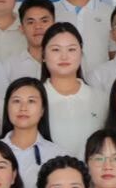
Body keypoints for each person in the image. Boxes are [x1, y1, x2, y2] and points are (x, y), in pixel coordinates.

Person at [39, 22, 107, 157]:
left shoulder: (101, 99)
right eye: (56, 50)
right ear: (43, 55)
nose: (64, 56)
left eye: (71, 49)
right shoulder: (34, 99)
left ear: (81, 53)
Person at [0, 77, 62, 188]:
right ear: (7, 107)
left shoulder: (57, 155)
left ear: (42, 109)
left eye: (31, 101)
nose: (23, 108)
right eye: (16, 101)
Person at [8, 0, 56, 82]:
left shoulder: (67, 60)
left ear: (54, 24)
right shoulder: (10, 66)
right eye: (31, 22)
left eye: (44, 21)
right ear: (22, 28)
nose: (38, 26)